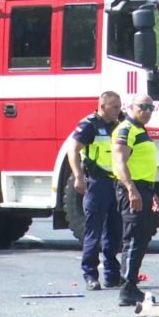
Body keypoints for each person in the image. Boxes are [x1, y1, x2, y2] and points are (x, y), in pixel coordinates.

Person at [66, 91, 124, 291]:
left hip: (116, 183)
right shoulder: (89, 125)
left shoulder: (119, 124)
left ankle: (112, 275)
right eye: (115, 107)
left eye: (120, 106)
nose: (119, 110)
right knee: (94, 231)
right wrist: (79, 176)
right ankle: (90, 275)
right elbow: (72, 150)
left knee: (115, 232)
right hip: (97, 183)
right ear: (103, 106)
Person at [112, 94, 159, 306]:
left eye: (152, 107)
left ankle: (131, 285)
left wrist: (152, 192)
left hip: (143, 189)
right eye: (143, 107)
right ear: (131, 107)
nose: (148, 111)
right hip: (131, 189)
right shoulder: (126, 129)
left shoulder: (140, 130)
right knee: (132, 239)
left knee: (140, 238)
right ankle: (127, 288)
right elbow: (119, 162)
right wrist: (132, 189)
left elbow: (141, 165)